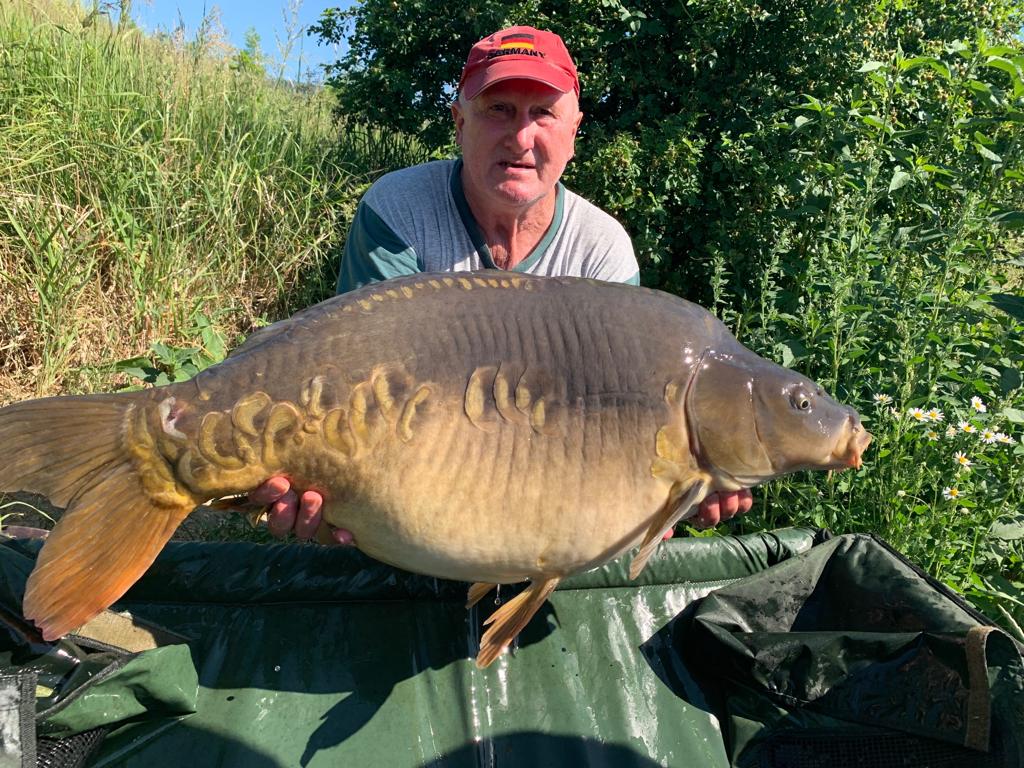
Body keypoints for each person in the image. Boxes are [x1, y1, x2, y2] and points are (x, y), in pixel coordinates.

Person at [249, 25, 753, 543]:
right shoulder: (399, 210)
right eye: (499, 110)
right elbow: (355, 385)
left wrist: (659, 496)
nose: (520, 137)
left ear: (573, 131)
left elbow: (606, 427)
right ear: (459, 121)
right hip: (405, 492)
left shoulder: (601, 249)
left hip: (541, 506)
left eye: (543, 114)